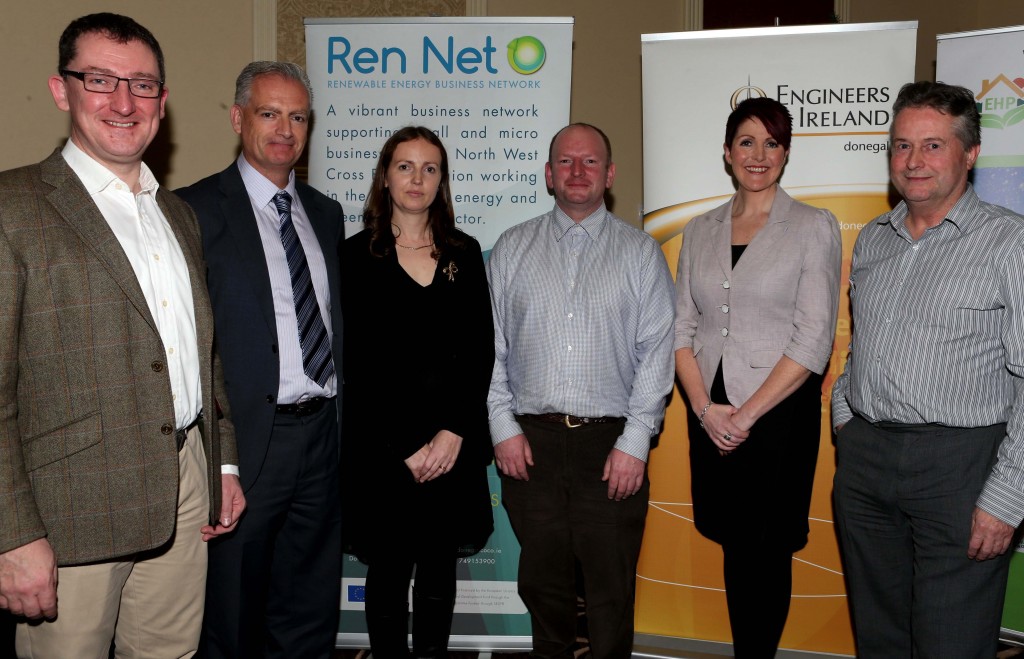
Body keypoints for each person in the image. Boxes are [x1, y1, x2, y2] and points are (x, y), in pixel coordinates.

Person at [0, 12, 244, 657]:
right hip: (70, 507)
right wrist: (11, 534)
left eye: (142, 84)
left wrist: (219, 459)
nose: (123, 102)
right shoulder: (12, 208)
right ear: (62, 89)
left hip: (185, 489)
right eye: (101, 79)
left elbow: (201, 350)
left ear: (162, 101)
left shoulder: (178, 214)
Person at [832, 81, 1024, 657]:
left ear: (969, 154)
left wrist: (1006, 496)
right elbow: (861, 343)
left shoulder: (1009, 244)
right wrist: (848, 419)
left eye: (932, 146)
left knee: (950, 640)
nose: (913, 161)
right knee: (879, 636)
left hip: (960, 468)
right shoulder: (873, 240)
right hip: (866, 464)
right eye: (900, 145)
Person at [487, 123, 675, 658]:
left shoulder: (640, 254)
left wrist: (635, 443)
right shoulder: (511, 248)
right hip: (531, 448)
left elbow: (657, 354)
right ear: (548, 174)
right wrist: (502, 427)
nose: (577, 172)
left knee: (611, 593)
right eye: (566, 162)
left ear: (609, 174)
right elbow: (490, 352)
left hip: (610, 449)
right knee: (544, 589)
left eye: (590, 162)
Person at [176, 62, 343, 658]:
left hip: (321, 437)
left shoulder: (325, 213)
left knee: (309, 604)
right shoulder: (192, 211)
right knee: (233, 608)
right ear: (238, 118)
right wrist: (218, 458)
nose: (284, 129)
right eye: (270, 113)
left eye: (297, 116)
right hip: (244, 444)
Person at [673, 97, 842, 656]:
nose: (759, 154)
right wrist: (704, 409)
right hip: (711, 408)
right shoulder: (699, 230)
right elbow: (682, 328)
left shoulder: (812, 227)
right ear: (726, 152)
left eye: (772, 142)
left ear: (786, 153)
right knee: (733, 544)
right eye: (747, 141)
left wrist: (744, 416)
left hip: (777, 415)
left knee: (766, 552)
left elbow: (814, 337)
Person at [341, 126, 494, 658]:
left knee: (436, 576)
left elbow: (480, 353)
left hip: (452, 449)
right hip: (386, 453)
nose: (417, 179)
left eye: (430, 169)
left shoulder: (465, 252)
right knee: (387, 578)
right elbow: (358, 365)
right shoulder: (354, 258)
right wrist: (407, 447)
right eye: (405, 166)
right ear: (385, 177)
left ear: (442, 181)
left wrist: (453, 432)